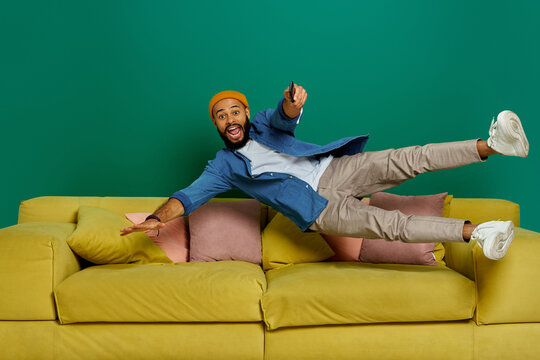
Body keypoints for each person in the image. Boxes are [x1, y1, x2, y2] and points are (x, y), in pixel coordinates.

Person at [120, 84, 529, 260]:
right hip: (317, 210)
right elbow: (187, 197)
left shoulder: (264, 123)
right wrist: (157, 218)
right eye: (220, 115)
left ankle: (495, 145)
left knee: (410, 157)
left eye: (234, 111)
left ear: (245, 113)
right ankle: (478, 233)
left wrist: (293, 103)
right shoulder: (223, 167)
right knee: (393, 226)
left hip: (336, 170)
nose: (229, 118)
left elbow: (285, 117)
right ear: (216, 125)